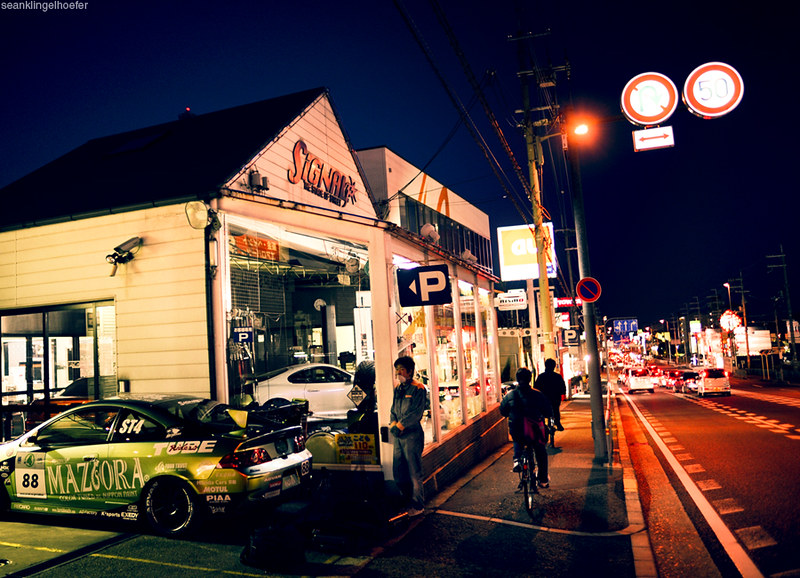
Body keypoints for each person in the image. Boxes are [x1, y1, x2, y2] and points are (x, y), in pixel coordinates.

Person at [500, 367, 553, 488]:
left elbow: (503, 411)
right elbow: (548, 411)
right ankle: (543, 480)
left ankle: (517, 460)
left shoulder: (510, 395)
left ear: (517, 379)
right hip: (534, 429)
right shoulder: (538, 395)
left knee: (518, 439)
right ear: (530, 379)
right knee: (540, 451)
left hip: (516, 428)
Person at [389, 355, 428, 516]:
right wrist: (393, 424)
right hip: (398, 437)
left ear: (410, 371)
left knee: (414, 472)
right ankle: (405, 502)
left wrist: (401, 425)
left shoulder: (418, 388)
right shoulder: (398, 389)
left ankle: (418, 505)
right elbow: (393, 410)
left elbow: (416, 413)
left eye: (401, 370)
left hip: (412, 436)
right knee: (398, 471)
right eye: (397, 370)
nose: (398, 373)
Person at [534, 358, 567, 431]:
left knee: (542, 412)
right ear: (554, 366)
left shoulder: (541, 377)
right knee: (556, 410)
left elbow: (536, 388)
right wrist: (562, 392)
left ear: (545, 366)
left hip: (544, 399)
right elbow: (562, 387)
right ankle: (558, 423)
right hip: (555, 398)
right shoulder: (557, 376)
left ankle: (542, 426)